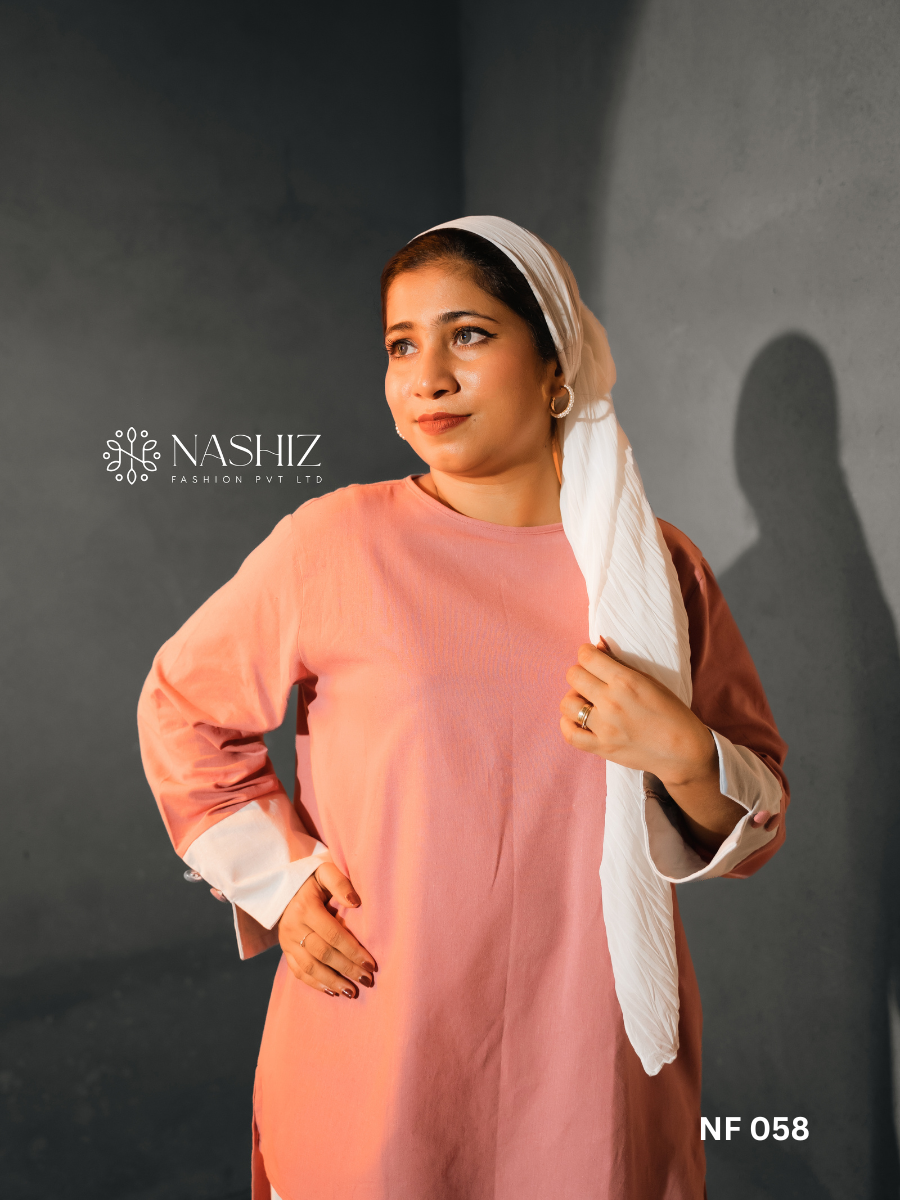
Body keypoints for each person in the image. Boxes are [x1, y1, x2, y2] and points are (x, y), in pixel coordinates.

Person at [137, 216, 788, 1200]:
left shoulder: (656, 575)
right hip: (381, 1036)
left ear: (556, 366)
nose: (428, 377)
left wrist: (686, 754)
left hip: (590, 1061)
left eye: (468, 335)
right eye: (401, 346)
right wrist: (281, 884)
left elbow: (759, 821)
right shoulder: (334, 545)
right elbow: (183, 706)